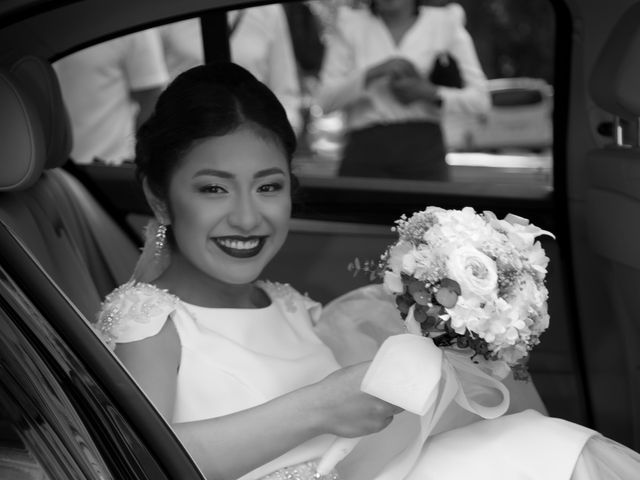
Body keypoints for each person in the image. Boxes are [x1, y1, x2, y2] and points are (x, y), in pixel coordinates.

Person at [96, 63, 640, 480]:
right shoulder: (148, 319)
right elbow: (136, 456)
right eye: (213, 188)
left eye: (268, 186)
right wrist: (316, 409)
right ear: (160, 198)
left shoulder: (287, 303)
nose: (246, 215)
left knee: (545, 447)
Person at [317, 0, 490, 180]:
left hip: (424, 156)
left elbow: (480, 101)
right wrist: (373, 73)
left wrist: (428, 92)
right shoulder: (350, 25)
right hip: (364, 156)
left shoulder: (445, 23)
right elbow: (325, 100)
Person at [159, 5, 303, 136]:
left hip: (254, 137)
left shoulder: (268, 10)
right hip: (185, 136)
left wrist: (276, 139)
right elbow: (152, 87)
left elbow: (285, 92)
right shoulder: (166, 8)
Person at [54, 29, 169, 165]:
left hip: (108, 166)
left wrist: (142, 162)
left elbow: (152, 99)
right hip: (51, 170)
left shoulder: (134, 25)